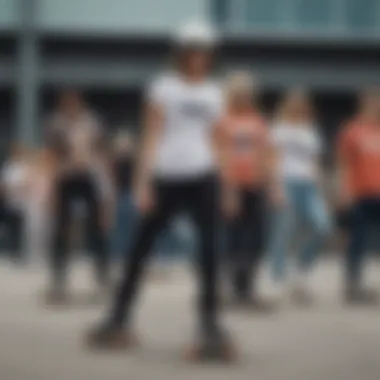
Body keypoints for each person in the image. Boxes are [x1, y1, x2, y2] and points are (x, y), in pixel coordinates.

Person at [86, 22, 235, 361]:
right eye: (194, 50)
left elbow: (219, 141)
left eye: (205, 51)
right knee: (140, 248)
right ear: (182, 53)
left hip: (204, 176)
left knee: (210, 252)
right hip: (167, 176)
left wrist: (227, 187)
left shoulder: (215, 92)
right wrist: (142, 183)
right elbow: (151, 135)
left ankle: (209, 323)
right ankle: (117, 318)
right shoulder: (162, 87)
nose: (200, 57)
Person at [215, 71, 279, 309]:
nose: (243, 97)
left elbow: (267, 155)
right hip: (232, 187)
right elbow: (220, 157)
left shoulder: (258, 121)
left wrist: (273, 186)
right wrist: (227, 189)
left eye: (247, 93)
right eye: (239, 93)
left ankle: (248, 287)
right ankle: (235, 289)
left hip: (256, 185)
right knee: (234, 240)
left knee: (257, 239)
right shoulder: (222, 121)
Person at [44, 90, 111, 304]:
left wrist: (107, 190)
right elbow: (52, 154)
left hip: (89, 176)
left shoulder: (92, 122)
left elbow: (101, 152)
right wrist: (52, 189)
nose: (70, 106)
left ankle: (101, 275)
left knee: (96, 229)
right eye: (67, 103)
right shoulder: (56, 123)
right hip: (66, 177)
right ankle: (59, 278)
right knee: (61, 228)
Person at [269, 90, 330, 304]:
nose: (299, 108)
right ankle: (278, 279)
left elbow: (315, 161)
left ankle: (301, 270)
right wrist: (276, 187)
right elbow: (274, 160)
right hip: (287, 181)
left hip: (308, 185)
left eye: (302, 105)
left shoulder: (310, 130)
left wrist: (319, 190)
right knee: (283, 232)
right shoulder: (279, 129)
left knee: (322, 226)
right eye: (294, 104)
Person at [337, 89, 380, 304]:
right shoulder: (353, 131)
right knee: (358, 240)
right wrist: (345, 190)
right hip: (361, 192)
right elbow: (345, 164)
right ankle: (353, 283)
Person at [0, 144, 30, 263]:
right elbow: (3, 184)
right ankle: (12, 250)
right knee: (11, 227)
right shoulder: (8, 167)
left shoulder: (24, 167)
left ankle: (19, 251)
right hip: (10, 202)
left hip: (22, 203)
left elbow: (28, 183)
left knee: (20, 228)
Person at [109, 130, 136, 259]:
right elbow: (113, 181)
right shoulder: (114, 163)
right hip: (119, 196)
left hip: (131, 195)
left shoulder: (135, 162)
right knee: (119, 228)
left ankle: (129, 254)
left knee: (131, 226)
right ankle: (118, 255)